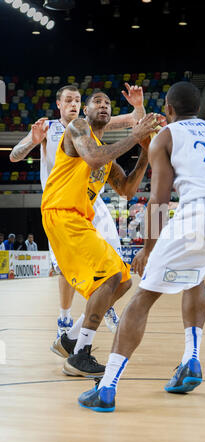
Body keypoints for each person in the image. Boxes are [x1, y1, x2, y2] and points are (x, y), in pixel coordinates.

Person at [77, 81, 205, 412]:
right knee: (196, 275)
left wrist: (148, 248)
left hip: (201, 213)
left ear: (169, 110)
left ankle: (106, 389)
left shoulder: (167, 136)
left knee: (142, 298)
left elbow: (159, 199)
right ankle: (191, 360)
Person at [9, 83, 146, 337]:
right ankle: (65, 317)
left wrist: (138, 106)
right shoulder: (50, 127)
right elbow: (15, 156)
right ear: (59, 104)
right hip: (62, 201)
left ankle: (100, 309)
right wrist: (32, 142)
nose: (73, 104)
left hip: (91, 202)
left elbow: (134, 121)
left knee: (117, 264)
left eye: (77, 100)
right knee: (65, 268)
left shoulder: (91, 124)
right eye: (68, 100)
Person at [42, 91, 158, 377]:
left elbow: (128, 190)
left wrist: (144, 149)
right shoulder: (77, 129)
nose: (104, 105)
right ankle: (80, 355)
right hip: (61, 212)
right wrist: (134, 136)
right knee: (109, 276)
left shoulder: (106, 154)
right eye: (97, 102)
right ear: (86, 111)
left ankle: (71, 341)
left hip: (79, 219)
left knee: (122, 280)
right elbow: (92, 158)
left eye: (107, 103)